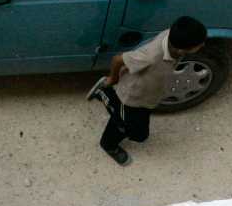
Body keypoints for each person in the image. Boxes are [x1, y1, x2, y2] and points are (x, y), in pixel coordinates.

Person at [85, 16, 208, 166]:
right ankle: (107, 142)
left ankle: (108, 98)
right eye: (199, 44)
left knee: (140, 134)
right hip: (131, 97)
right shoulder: (151, 57)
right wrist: (112, 79)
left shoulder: (174, 39)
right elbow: (118, 59)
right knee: (122, 124)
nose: (203, 44)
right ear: (181, 49)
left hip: (147, 96)